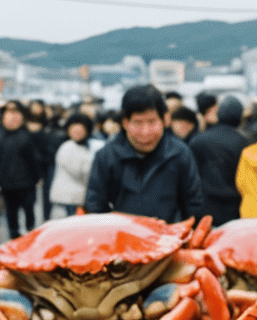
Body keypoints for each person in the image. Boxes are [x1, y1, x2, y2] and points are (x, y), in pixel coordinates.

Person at [85, 85, 204, 223]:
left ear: (164, 120)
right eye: (138, 123)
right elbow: (95, 205)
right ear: (125, 123)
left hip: (168, 239)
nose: (145, 132)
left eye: (152, 122)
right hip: (121, 238)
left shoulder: (180, 154)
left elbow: (194, 204)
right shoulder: (106, 156)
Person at [190, 92, 246, 228]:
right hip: (233, 211)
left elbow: (190, 179)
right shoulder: (244, 143)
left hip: (203, 211)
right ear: (240, 118)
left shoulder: (198, 141)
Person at [0, 100, 43, 238]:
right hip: (7, 185)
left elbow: (34, 161)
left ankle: (30, 238)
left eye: (16, 113)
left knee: (29, 216)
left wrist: (37, 178)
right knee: (11, 216)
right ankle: (14, 239)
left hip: (26, 184)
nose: (12, 117)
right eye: (8, 113)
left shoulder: (27, 136)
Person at [49, 112, 94, 218]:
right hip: (69, 200)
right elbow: (83, 173)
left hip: (75, 199)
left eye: (81, 129)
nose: (77, 132)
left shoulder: (83, 146)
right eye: (73, 128)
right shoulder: (67, 147)